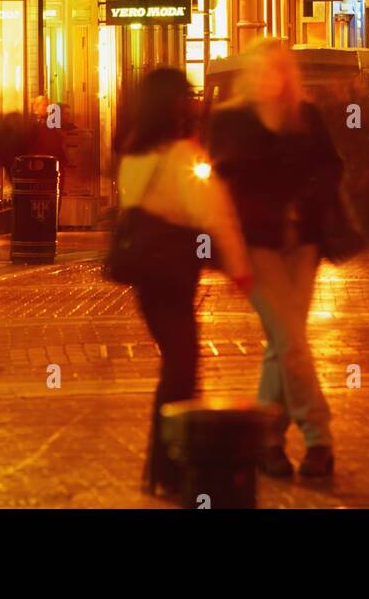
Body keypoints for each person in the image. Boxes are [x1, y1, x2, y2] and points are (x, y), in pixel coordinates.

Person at [208, 38, 343, 480]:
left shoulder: (307, 118)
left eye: (280, 70)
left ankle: (267, 440)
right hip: (257, 247)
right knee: (288, 340)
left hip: (303, 243)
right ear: (251, 74)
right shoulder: (231, 121)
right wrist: (229, 253)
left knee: (284, 342)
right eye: (264, 70)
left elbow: (331, 169)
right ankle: (318, 436)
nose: (272, 78)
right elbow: (220, 189)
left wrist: (308, 199)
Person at [117, 68, 251, 494]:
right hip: (174, 272)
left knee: (177, 363)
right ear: (173, 103)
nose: (192, 101)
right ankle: (169, 465)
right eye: (186, 96)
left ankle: (162, 467)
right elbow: (213, 213)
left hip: (147, 275)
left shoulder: (131, 154)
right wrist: (239, 267)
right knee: (181, 365)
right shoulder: (180, 156)